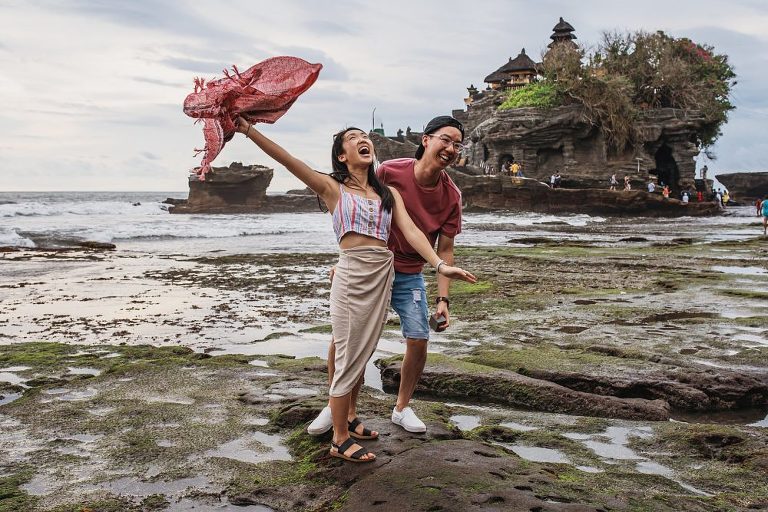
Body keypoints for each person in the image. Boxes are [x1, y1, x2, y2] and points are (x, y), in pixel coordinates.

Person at [235, 117, 476, 463]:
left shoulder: (387, 192)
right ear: (342, 156)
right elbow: (287, 159)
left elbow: (411, 232)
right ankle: (339, 436)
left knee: (363, 351)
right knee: (347, 353)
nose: (364, 140)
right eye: (354, 138)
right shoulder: (334, 188)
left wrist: (439, 266)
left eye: (366, 137)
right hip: (352, 275)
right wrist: (249, 131)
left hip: (385, 274)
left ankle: (348, 415)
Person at [309, 115, 472, 436]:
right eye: (446, 139)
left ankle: (401, 408)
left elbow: (446, 248)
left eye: (457, 144)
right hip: (370, 270)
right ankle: (338, 406)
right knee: (346, 339)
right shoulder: (389, 171)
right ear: (426, 140)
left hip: (409, 273)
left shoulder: (451, 196)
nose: (451, 148)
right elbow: (355, 206)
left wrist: (444, 300)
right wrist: (345, 261)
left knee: (419, 337)